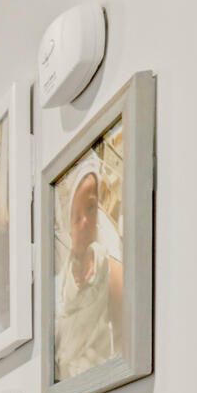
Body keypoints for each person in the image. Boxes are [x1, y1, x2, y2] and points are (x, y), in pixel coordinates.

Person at [54, 158, 126, 380]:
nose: (85, 222)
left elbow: (125, 323)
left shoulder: (104, 250)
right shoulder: (59, 262)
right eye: (77, 217)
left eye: (91, 209)